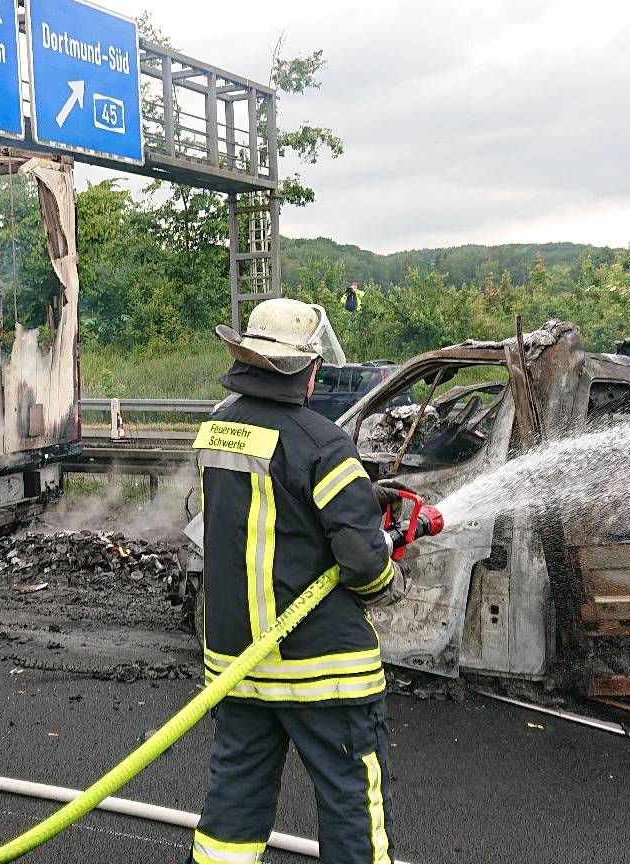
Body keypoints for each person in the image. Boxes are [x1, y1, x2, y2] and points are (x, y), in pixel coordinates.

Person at [188, 298, 402, 864]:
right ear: (307, 370)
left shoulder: (216, 433)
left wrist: (351, 499)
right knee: (350, 803)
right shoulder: (324, 443)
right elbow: (361, 560)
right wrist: (389, 583)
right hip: (321, 671)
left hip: (237, 661)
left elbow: (264, 512)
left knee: (233, 803)